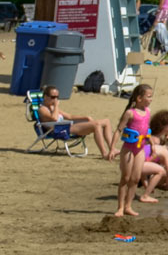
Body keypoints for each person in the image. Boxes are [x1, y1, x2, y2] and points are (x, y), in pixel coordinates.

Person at [36, 86, 116, 159]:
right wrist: (56, 106)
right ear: (46, 97)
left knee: (106, 121)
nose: (55, 100)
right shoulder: (42, 109)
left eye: (57, 97)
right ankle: (104, 153)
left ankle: (112, 149)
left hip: (66, 127)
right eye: (53, 97)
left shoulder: (53, 107)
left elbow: (69, 116)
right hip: (58, 130)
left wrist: (85, 117)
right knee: (96, 125)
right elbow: (54, 118)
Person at [115, 84, 154, 217]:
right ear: (139, 98)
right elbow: (119, 130)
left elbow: (146, 130)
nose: (151, 99)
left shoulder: (148, 112)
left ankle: (128, 206)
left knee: (135, 178)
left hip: (140, 149)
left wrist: (152, 144)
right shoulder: (130, 113)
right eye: (148, 97)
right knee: (125, 178)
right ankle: (120, 207)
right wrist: (111, 148)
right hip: (128, 149)